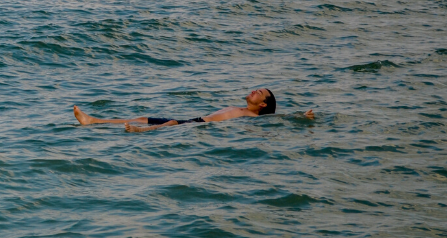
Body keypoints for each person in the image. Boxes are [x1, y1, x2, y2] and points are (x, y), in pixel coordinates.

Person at [73, 88, 313, 133]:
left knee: (168, 124)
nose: (253, 91)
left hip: (199, 124)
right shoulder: (241, 107)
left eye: (259, 93)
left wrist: (301, 117)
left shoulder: (253, 116)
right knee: (143, 115)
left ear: (262, 105)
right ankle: (92, 120)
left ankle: (138, 131)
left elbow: (278, 120)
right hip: (194, 119)